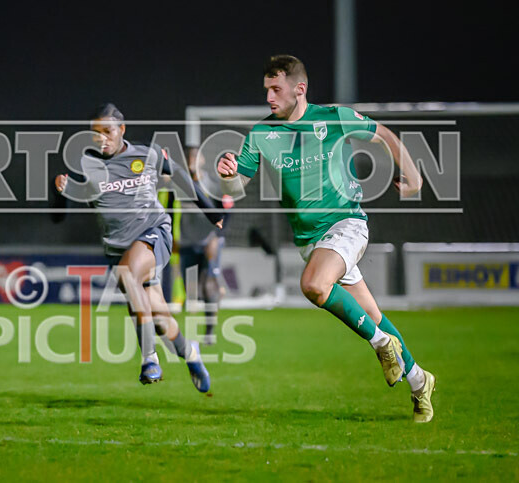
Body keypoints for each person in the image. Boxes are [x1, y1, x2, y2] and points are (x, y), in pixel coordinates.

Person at [217, 55, 436, 422]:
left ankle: (382, 344)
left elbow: (384, 134)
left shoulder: (333, 117)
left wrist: (414, 177)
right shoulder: (261, 134)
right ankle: (419, 381)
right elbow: (237, 188)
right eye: (266, 90)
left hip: (346, 224)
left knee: (314, 285)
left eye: (276, 89)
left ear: (299, 89)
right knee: (372, 315)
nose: (269, 97)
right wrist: (228, 177)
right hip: (311, 241)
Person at [53, 103, 222, 392]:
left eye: (107, 131)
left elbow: (179, 173)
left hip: (153, 231)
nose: (102, 138)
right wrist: (59, 190)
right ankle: (190, 352)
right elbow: (60, 215)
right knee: (159, 318)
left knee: (129, 274)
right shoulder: (88, 164)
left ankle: (149, 359)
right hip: (117, 248)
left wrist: (210, 212)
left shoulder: (146, 154)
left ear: (122, 129)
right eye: (96, 133)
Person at [176, 147, 227, 345]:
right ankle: (217, 292)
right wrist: (170, 236)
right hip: (187, 242)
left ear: (203, 160)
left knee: (207, 286)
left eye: (195, 156)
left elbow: (227, 213)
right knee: (192, 292)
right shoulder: (177, 186)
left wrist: (216, 237)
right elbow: (169, 211)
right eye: (188, 157)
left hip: (209, 242)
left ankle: (209, 332)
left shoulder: (214, 184)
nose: (192, 160)